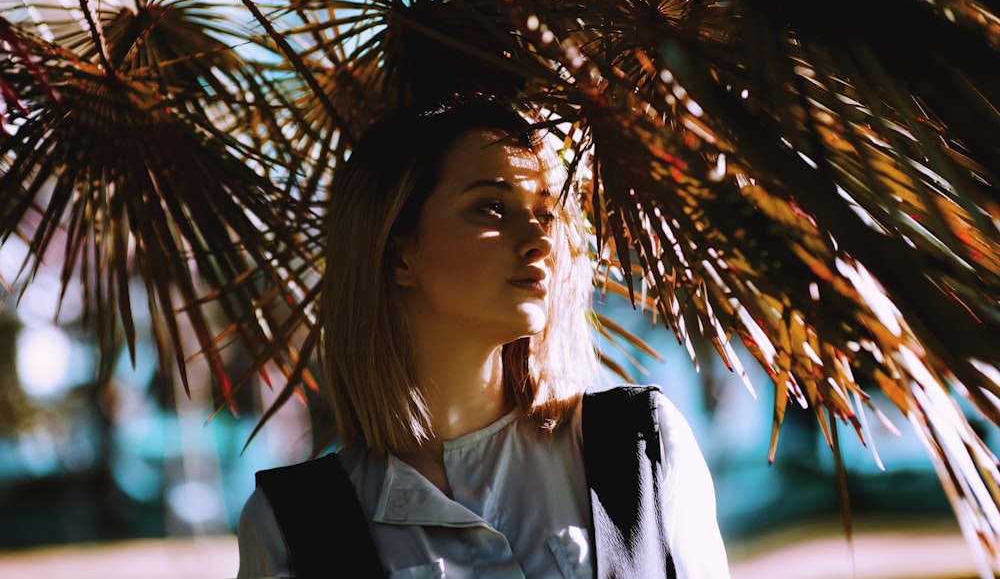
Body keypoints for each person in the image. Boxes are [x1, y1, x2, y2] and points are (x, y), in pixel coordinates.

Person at [235, 98, 730, 578]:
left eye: (546, 212)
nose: (538, 238)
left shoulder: (642, 444)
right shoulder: (289, 527)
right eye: (491, 207)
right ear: (399, 252)